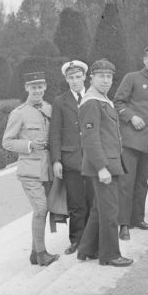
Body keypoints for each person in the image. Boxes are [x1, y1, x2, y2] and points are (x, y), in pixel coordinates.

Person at [76, 59, 132, 267]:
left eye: (109, 76)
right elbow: (90, 139)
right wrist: (101, 168)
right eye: (101, 76)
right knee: (110, 212)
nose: (106, 80)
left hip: (109, 163)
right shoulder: (92, 101)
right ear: (92, 78)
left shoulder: (102, 99)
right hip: (103, 166)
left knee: (100, 209)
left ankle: (87, 249)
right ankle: (110, 255)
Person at [2, 72, 59, 266]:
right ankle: (41, 254)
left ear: (45, 87)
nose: (37, 90)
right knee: (41, 209)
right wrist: (29, 145)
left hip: (48, 169)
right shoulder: (18, 113)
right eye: (33, 87)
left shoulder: (50, 109)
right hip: (30, 170)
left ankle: (35, 254)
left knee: (45, 210)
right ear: (26, 88)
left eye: (40, 86)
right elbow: (7, 142)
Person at [114, 44, 148, 239]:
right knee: (126, 182)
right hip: (131, 140)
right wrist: (131, 117)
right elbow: (118, 102)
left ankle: (137, 218)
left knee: (142, 182)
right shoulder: (132, 78)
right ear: (144, 59)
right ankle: (123, 223)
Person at [49, 60, 94, 255]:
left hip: (93, 158)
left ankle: (93, 238)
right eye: (71, 78)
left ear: (84, 77)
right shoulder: (60, 101)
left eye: (78, 77)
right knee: (76, 202)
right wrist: (57, 160)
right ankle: (76, 239)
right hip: (71, 159)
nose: (75, 81)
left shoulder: (94, 97)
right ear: (66, 79)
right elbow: (55, 133)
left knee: (93, 199)